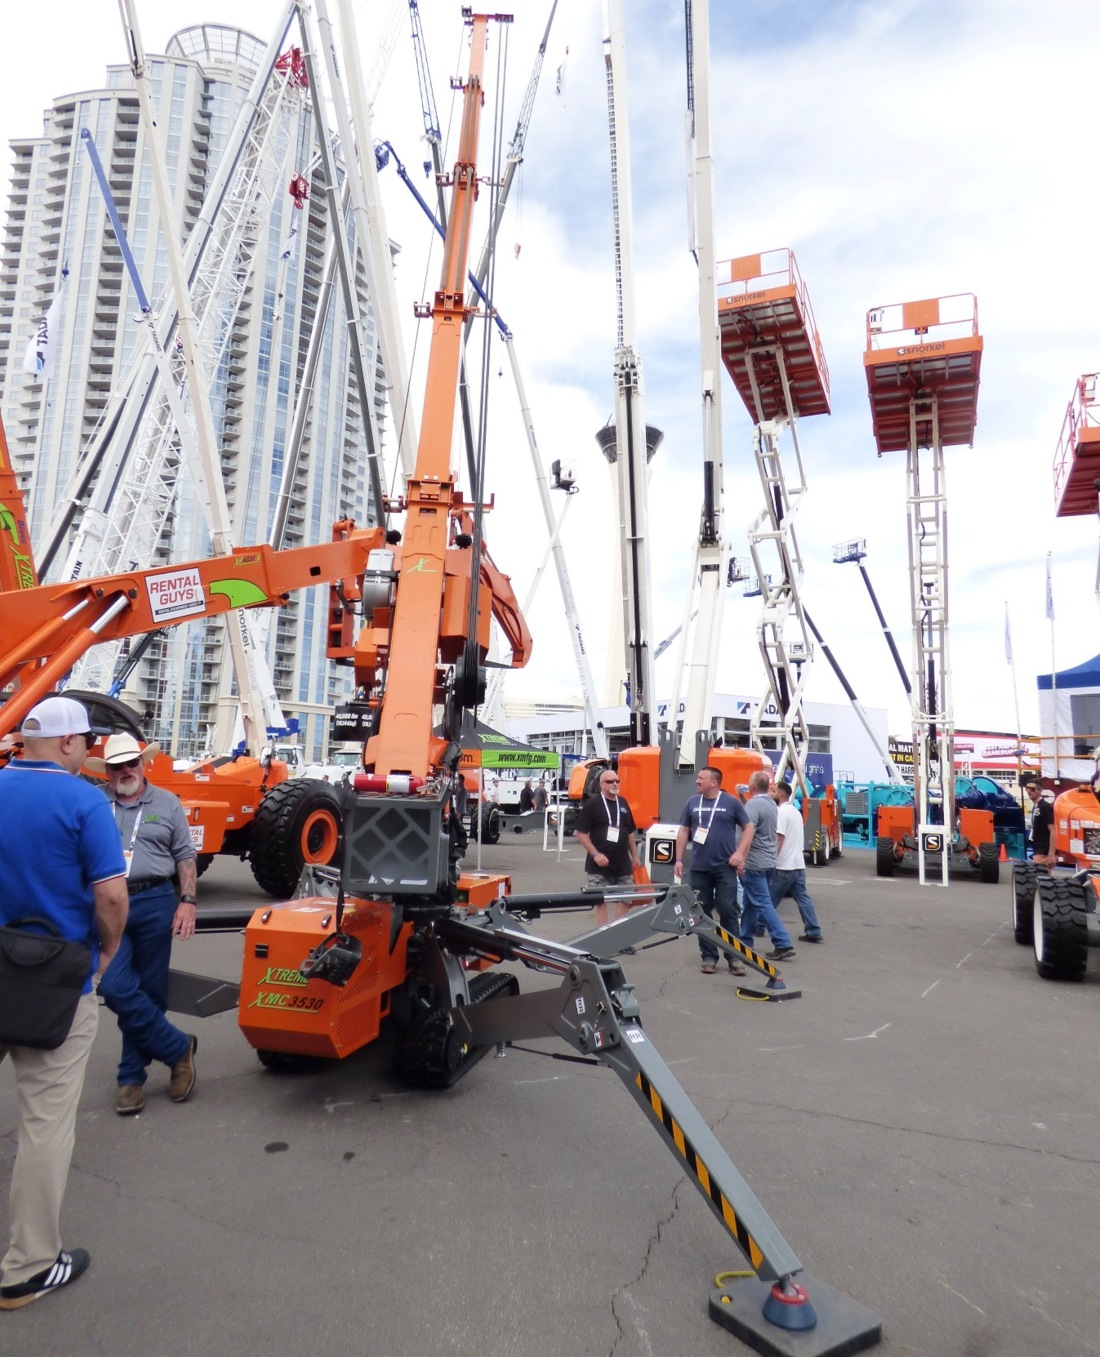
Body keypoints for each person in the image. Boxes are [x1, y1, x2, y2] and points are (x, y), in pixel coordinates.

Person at [0, 696, 128, 1310]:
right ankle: (27, 1267)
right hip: (55, 982)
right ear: (70, 743)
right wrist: (107, 953)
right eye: (88, 741)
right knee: (44, 1124)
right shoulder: (83, 801)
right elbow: (111, 897)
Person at [97, 732, 199, 1116]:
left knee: (151, 992)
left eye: (132, 762)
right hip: (108, 904)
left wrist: (187, 901)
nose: (126, 770)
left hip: (155, 899)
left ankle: (130, 1078)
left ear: (143, 764)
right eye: (117, 765)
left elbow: (185, 855)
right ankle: (177, 1048)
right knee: (114, 986)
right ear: (106, 772)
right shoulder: (94, 803)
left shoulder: (167, 802)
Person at [674, 766, 748, 976]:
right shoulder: (692, 802)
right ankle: (708, 956)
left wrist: (740, 854)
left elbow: (749, 828)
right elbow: (683, 831)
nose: (696, 781)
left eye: (701, 778)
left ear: (714, 782)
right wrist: (678, 859)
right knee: (701, 912)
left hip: (725, 867)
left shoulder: (731, 802)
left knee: (728, 910)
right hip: (700, 868)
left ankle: (734, 956)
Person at [732, 770, 795, 962]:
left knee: (762, 902)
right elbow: (756, 817)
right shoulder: (770, 804)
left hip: (754, 862)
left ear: (751, 787)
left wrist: (741, 858)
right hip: (768, 861)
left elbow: (749, 831)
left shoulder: (754, 805)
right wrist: (744, 799)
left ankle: (782, 942)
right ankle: (745, 940)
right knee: (750, 903)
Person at [574, 768, 640, 926]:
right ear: (601, 784)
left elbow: (630, 832)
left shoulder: (623, 803)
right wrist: (595, 854)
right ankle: (603, 933)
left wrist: (635, 857)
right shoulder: (593, 804)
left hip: (622, 864)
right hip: (599, 865)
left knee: (626, 899)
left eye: (617, 781)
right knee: (600, 900)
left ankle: (617, 933)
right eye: (610, 781)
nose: (615, 784)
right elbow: (580, 833)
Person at [770, 782, 824, 943]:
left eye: (773, 791)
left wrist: (772, 858)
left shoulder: (781, 813)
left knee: (769, 900)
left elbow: (779, 838)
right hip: (798, 864)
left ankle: (757, 926)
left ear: (781, 794)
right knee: (803, 899)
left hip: (784, 865)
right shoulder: (795, 812)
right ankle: (813, 930)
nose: (771, 793)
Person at [1024, 779, 1055, 868]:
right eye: (1027, 788)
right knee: (1041, 875)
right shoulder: (1036, 806)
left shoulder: (1044, 806)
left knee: (1039, 875)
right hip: (1038, 850)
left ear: (1040, 791)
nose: (1029, 791)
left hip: (1044, 852)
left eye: (1032, 789)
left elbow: (1053, 830)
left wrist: (1051, 854)